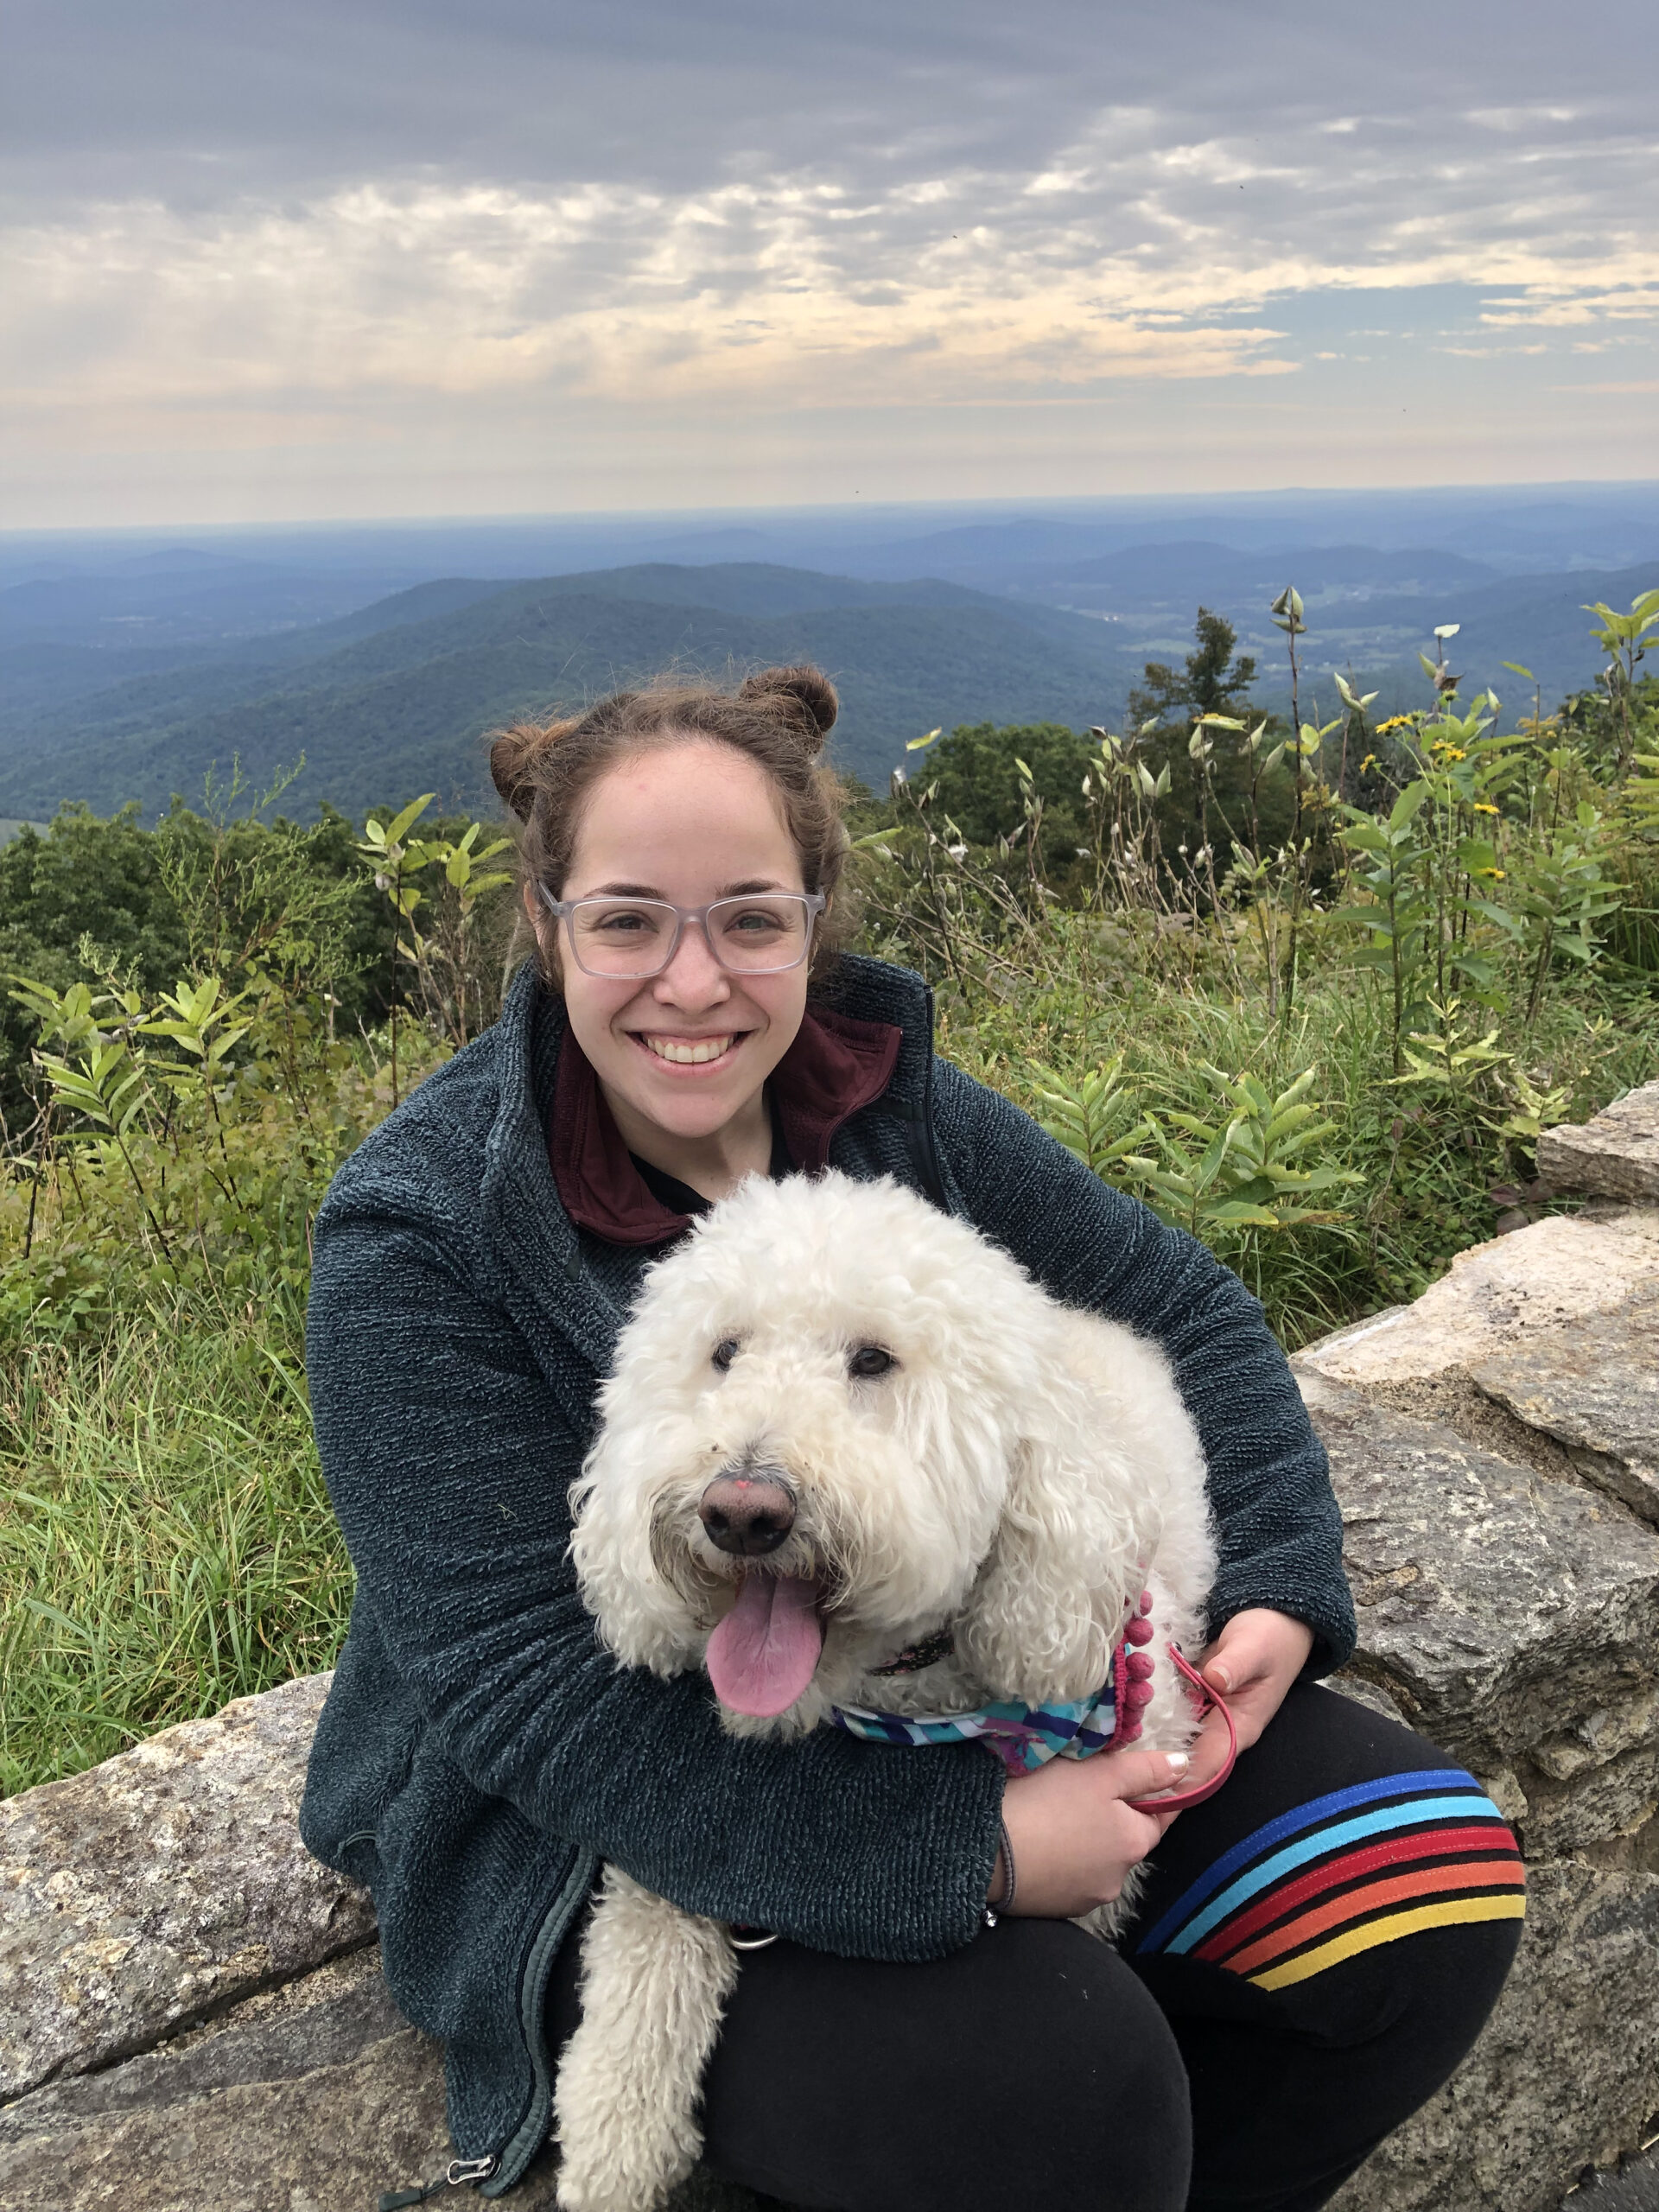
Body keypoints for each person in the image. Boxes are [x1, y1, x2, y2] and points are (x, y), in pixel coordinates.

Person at [301, 666, 1523, 2212]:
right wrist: (981, 1852)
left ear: (815, 919)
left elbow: (1189, 1311)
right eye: (627, 921)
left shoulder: (885, 1102)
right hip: (587, 1815)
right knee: (1061, 2090)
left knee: (1418, 1879)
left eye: (749, 917)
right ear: (546, 925)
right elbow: (529, 1702)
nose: (693, 982)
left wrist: (1279, 1578)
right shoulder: (421, 1236)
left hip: (985, 1691)